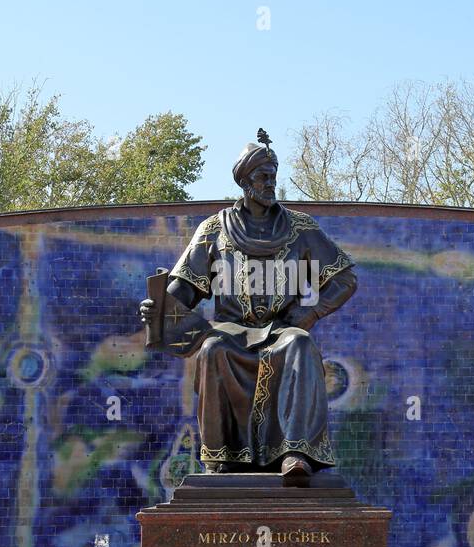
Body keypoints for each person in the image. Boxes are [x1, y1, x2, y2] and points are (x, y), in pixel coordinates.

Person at [140, 129, 358, 479]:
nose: (270, 182)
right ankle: (221, 457)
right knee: (211, 350)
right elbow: (183, 290)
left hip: (282, 330)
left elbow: (345, 279)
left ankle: (296, 454)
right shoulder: (214, 230)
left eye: (273, 175)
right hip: (230, 332)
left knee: (300, 344)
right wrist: (159, 308)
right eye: (262, 176)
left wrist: (312, 311)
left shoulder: (301, 228)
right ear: (245, 180)